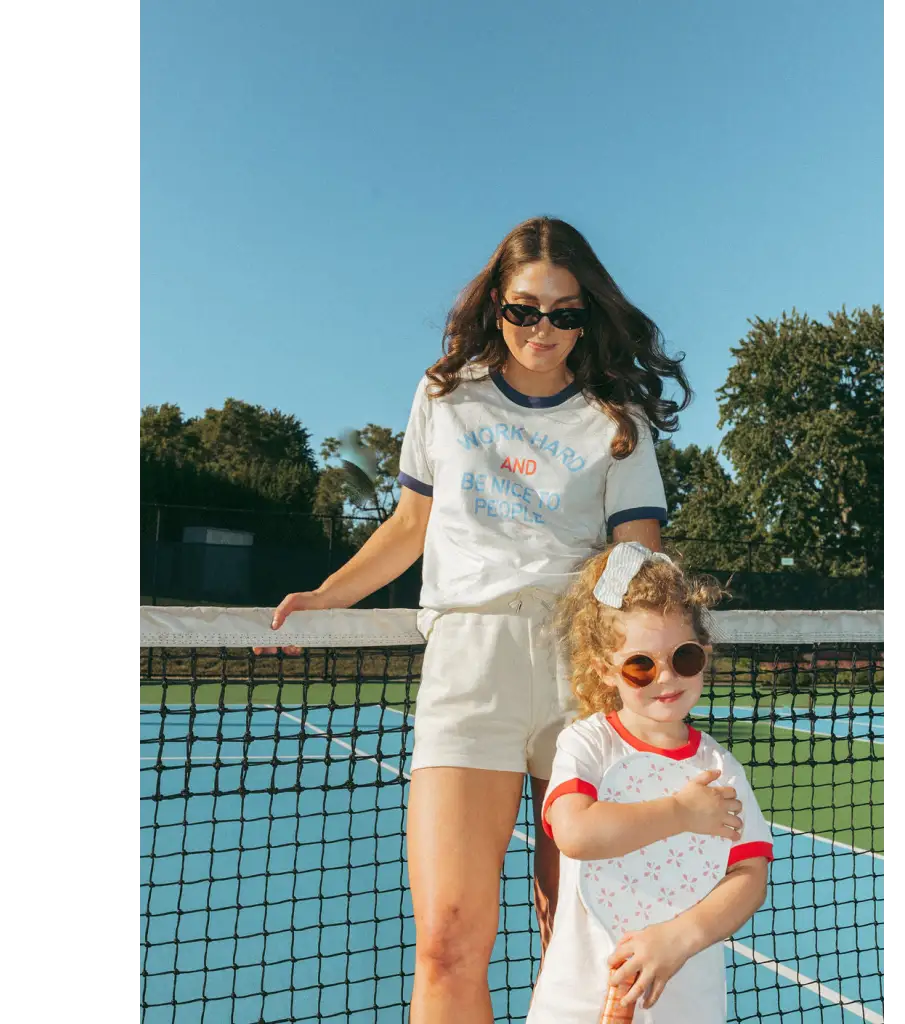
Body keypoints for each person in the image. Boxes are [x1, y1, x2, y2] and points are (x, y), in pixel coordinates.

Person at [254, 216, 695, 1023]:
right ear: (497, 304)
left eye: (566, 313)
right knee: (449, 942)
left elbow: (640, 552)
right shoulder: (444, 394)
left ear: (587, 316)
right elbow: (410, 528)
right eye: (527, 309)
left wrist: (633, 650)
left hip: (582, 671)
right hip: (469, 663)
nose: (544, 329)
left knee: (588, 941)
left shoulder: (615, 416)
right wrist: (328, 593)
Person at [527, 541, 773, 1023]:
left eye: (682, 658)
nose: (665, 678)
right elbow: (575, 833)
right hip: (578, 996)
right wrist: (681, 812)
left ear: (702, 653)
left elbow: (749, 876)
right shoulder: (587, 745)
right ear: (605, 670)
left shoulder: (720, 768)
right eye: (641, 665)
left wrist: (677, 938)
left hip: (684, 1000)